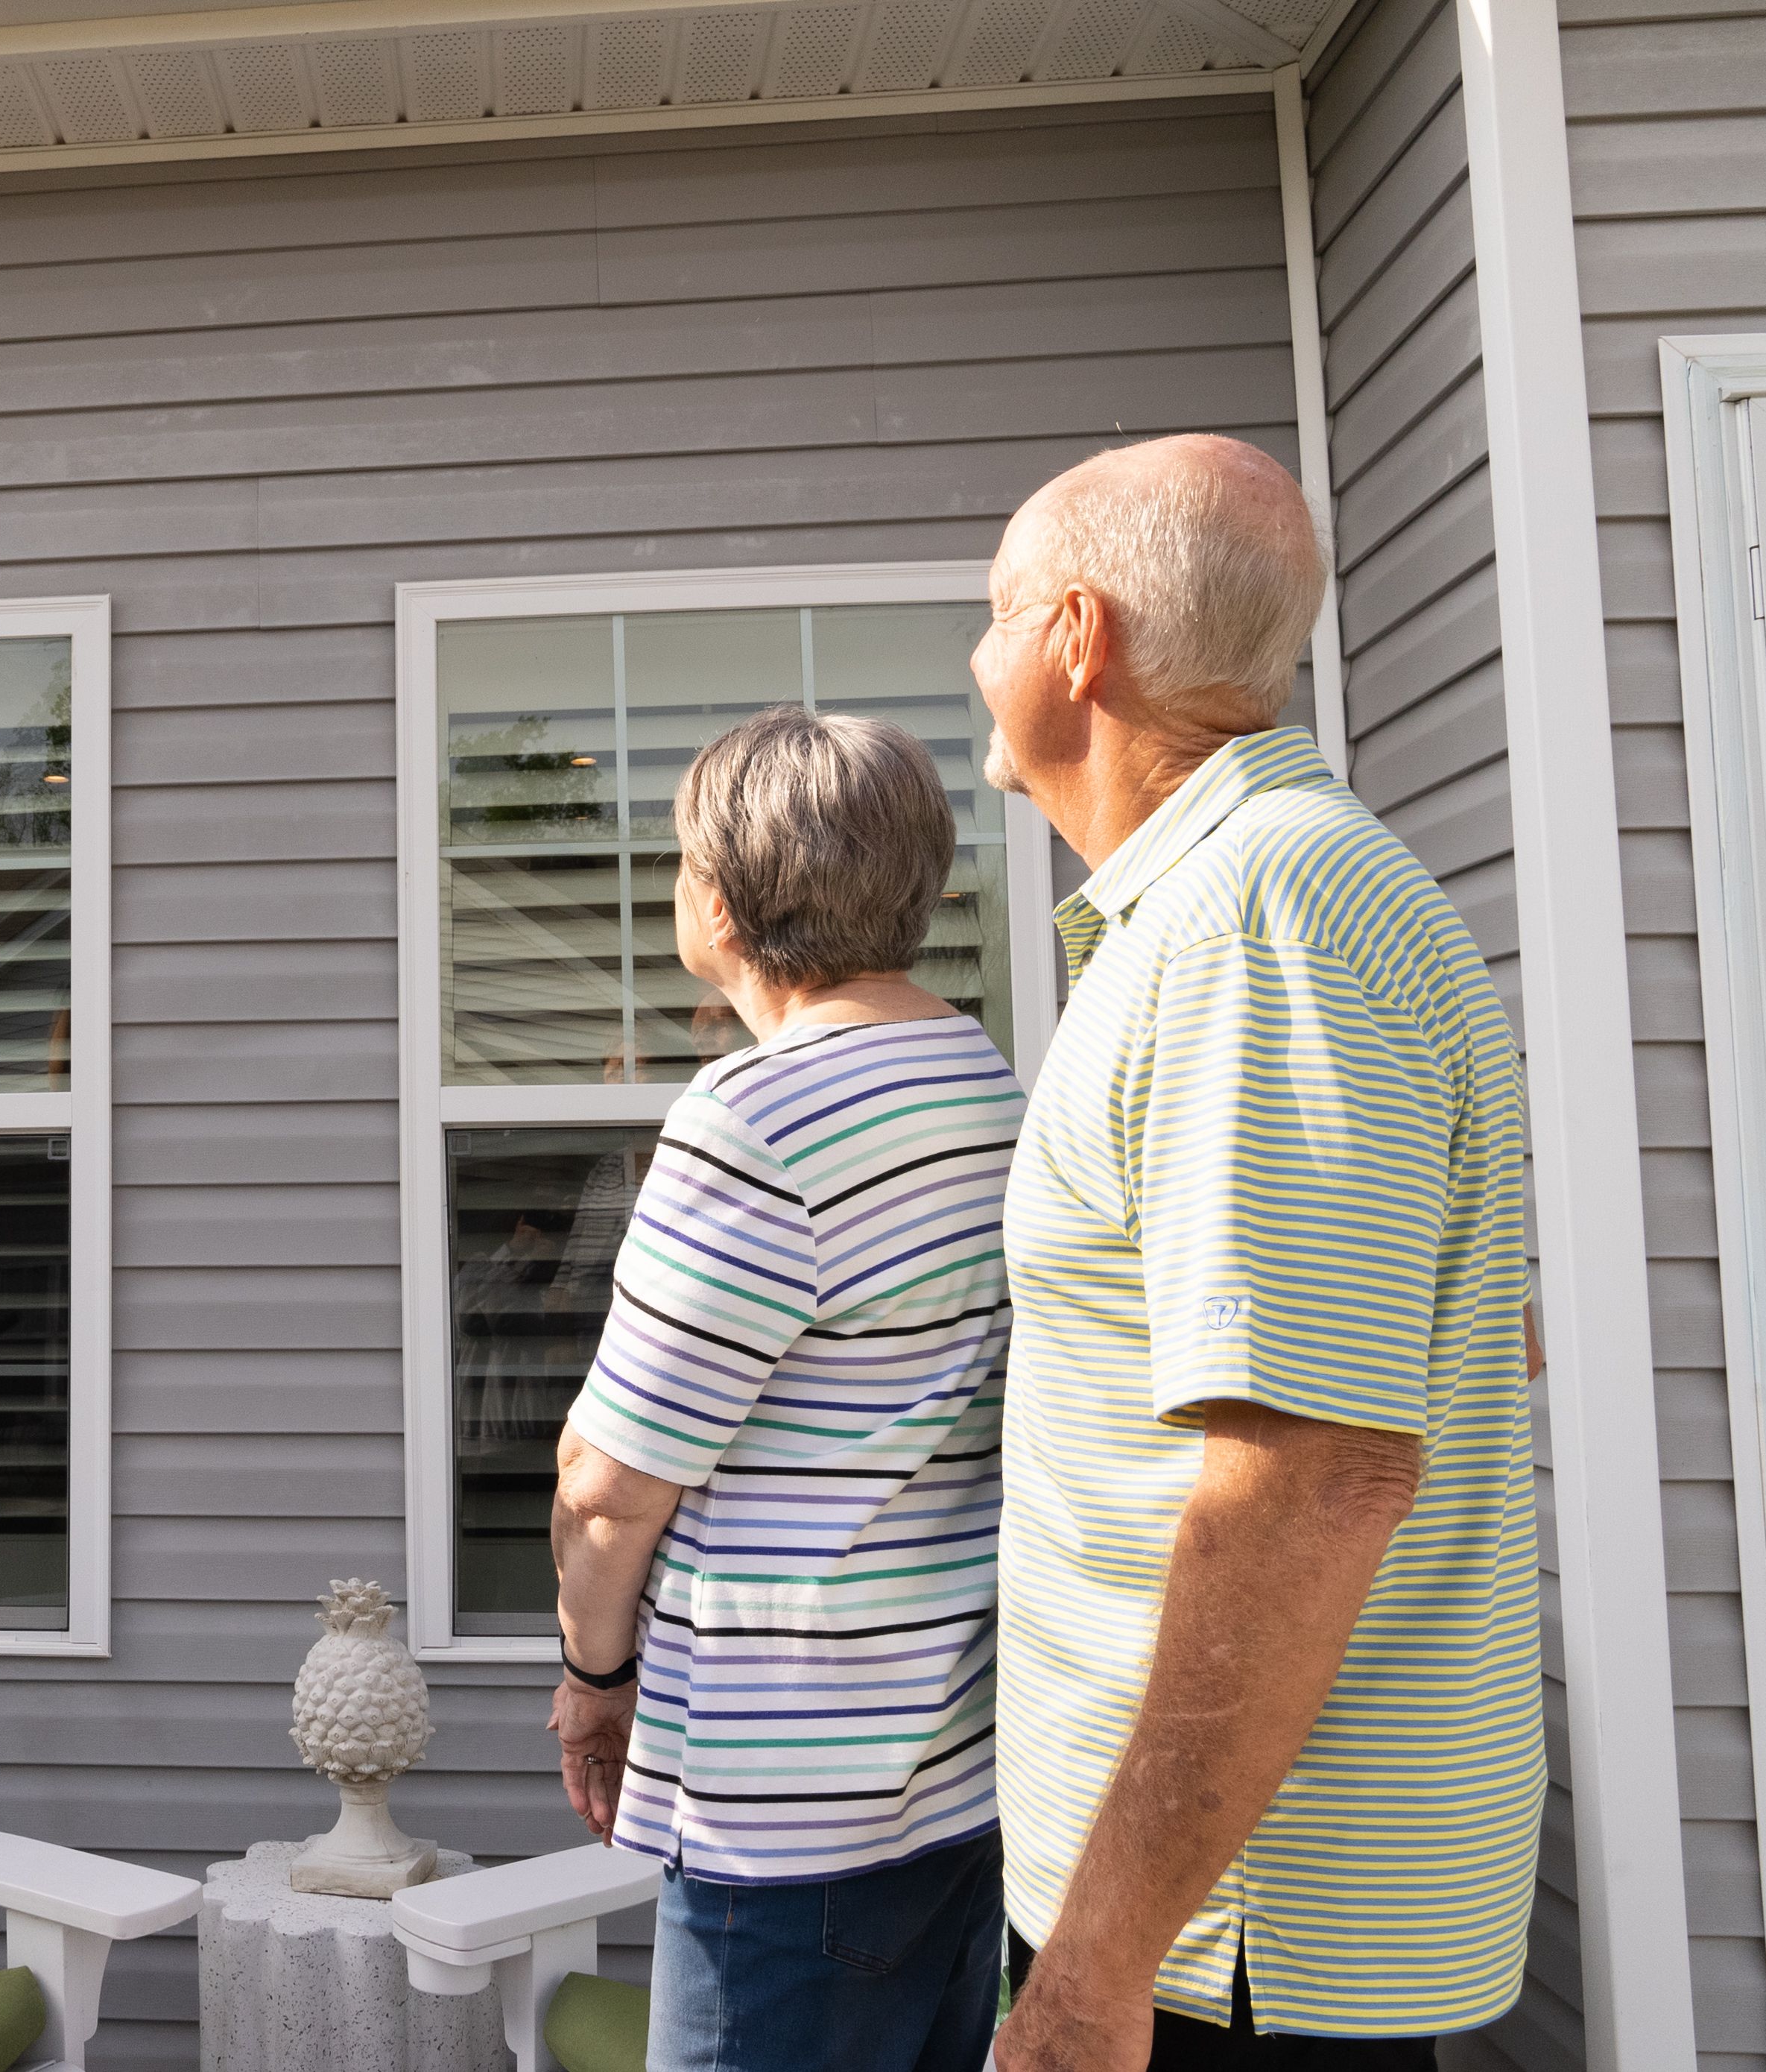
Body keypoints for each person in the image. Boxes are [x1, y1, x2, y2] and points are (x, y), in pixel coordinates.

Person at [977, 438, 1540, 2071]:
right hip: (1210, 1917)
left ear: (1076, 638)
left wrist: (1092, 1968)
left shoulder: (1253, 924)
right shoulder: (1245, 908)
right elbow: (1457, 1344)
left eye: (997, 612)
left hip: (1223, 1940)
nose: (974, 655)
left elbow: (1309, 1477)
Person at [547, 705, 1025, 2072]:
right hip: (960, 1770)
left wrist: (594, 1673)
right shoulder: (986, 1083)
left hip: (787, 1819)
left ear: (720, 899)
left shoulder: (752, 1118)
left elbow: (606, 1489)